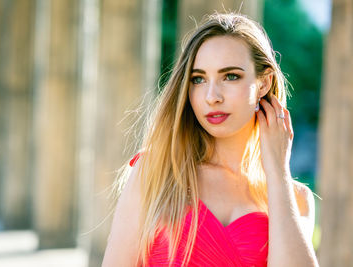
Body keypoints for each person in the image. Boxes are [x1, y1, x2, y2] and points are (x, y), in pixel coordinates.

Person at [102, 12, 319, 267]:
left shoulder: (296, 199)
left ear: (263, 83)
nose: (212, 96)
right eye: (198, 79)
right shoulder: (156, 173)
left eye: (230, 76)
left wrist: (277, 172)